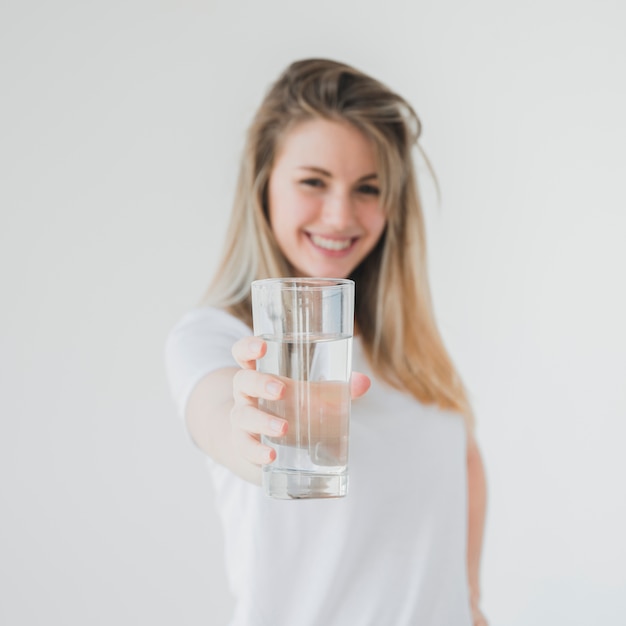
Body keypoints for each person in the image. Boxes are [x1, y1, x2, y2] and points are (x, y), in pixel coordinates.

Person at [165, 58, 488, 626]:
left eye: (368, 188)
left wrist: (471, 604)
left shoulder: (410, 352)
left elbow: (462, 462)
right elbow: (219, 416)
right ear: (264, 184)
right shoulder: (218, 337)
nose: (340, 215)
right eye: (313, 181)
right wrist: (251, 429)